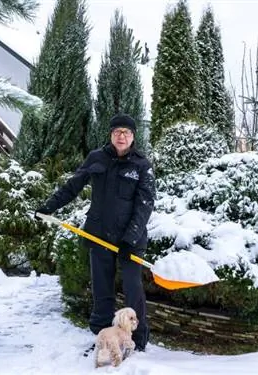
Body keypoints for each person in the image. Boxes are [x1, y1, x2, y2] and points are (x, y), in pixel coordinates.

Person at [35, 113, 156, 352]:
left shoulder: (142, 165)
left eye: (127, 132)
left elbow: (145, 204)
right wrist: (49, 206)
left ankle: (138, 341)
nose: (122, 136)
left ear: (133, 137)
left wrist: (129, 238)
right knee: (102, 290)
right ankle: (103, 337)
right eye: (117, 131)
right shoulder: (96, 157)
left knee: (133, 289)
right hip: (98, 234)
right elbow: (73, 186)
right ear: (111, 134)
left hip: (130, 241)